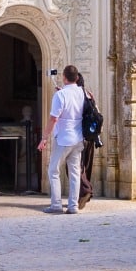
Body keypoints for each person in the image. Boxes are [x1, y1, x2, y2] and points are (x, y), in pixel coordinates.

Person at [39, 65, 87, 214]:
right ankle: (73, 206)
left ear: (64, 78)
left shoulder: (60, 95)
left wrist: (44, 138)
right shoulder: (82, 92)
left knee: (53, 170)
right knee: (74, 172)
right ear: (77, 78)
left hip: (63, 138)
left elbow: (53, 119)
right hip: (78, 137)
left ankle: (56, 204)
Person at [78, 80, 105, 209]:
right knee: (86, 166)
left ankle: (86, 190)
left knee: (75, 166)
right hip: (91, 136)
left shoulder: (75, 96)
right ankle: (82, 195)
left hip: (79, 136)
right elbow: (98, 114)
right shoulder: (89, 96)